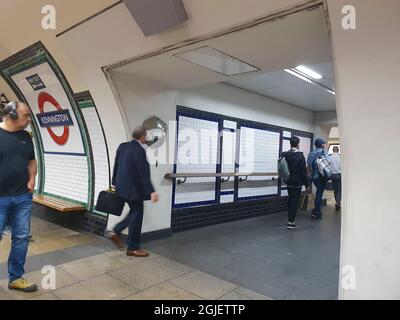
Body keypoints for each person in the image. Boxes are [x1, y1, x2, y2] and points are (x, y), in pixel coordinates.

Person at [0, 101, 38, 293]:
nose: (29, 119)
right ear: (12, 116)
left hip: (22, 197)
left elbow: (32, 161)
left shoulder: (25, 136)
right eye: (26, 116)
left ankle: (15, 278)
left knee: (21, 238)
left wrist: (32, 179)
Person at [109, 126, 159, 257]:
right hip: (133, 190)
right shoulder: (139, 150)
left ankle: (116, 231)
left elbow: (116, 165)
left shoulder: (122, 146)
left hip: (121, 186)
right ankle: (133, 247)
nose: (146, 137)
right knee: (137, 214)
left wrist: (114, 182)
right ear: (142, 136)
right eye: (146, 135)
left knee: (134, 212)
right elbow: (143, 173)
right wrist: (152, 191)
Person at [282, 136, 311, 229]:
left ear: (290, 144)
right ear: (298, 144)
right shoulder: (300, 156)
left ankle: (289, 219)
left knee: (291, 199)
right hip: (297, 183)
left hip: (288, 181)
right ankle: (291, 222)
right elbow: (303, 172)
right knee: (294, 201)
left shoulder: (284, 154)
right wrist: (307, 184)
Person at [307, 138, 330, 219]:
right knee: (319, 193)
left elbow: (309, 165)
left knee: (319, 191)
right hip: (322, 176)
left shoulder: (311, 153)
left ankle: (317, 210)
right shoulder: (324, 152)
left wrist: (310, 174)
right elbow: (328, 162)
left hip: (314, 177)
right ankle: (317, 211)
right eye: (323, 143)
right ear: (321, 145)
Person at [329, 146, 342, 211]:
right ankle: (338, 202)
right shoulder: (340, 157)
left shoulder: (330, 157)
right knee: (339, 189)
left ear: (332, 150)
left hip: (333, 175)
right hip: (339, 175)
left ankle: (336, 201)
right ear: (338, 150)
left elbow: (328, 165)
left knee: (335, 189)